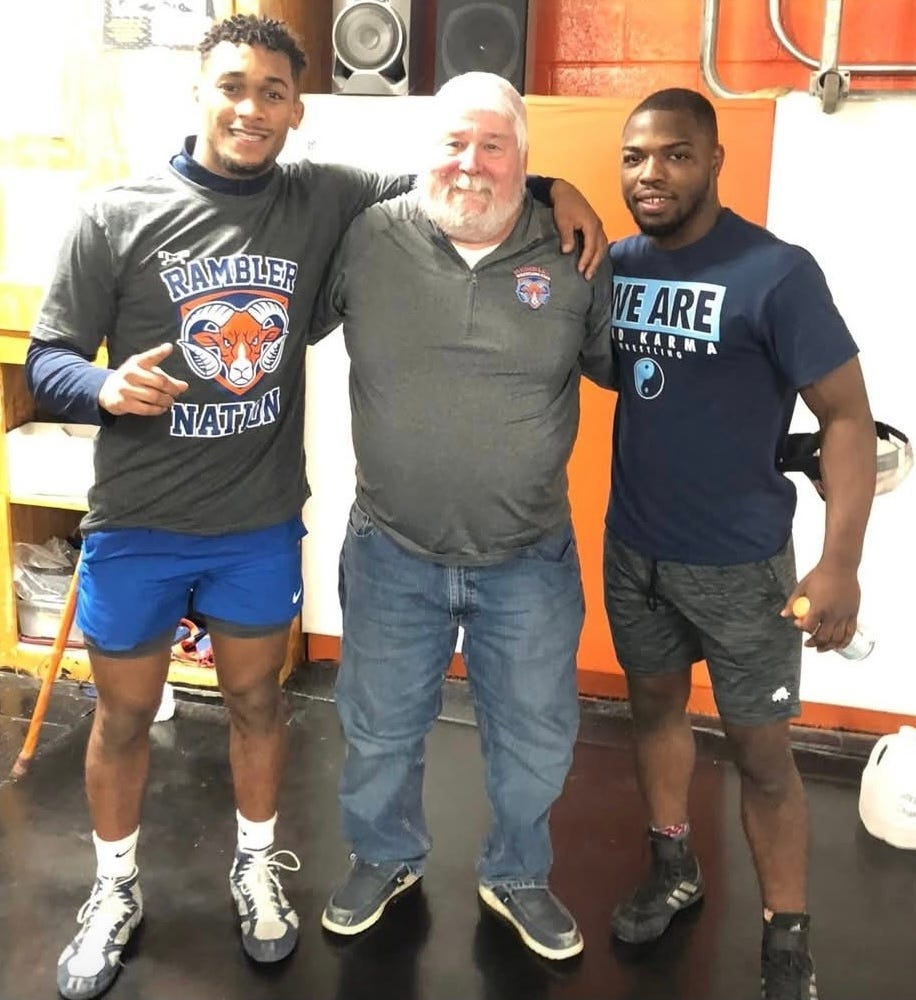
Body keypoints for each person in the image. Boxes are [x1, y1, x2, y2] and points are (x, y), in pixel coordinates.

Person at [25, 15, 607, 1000]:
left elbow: (461, 176)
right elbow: (47, 362)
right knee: (134, 715)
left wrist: (555, 186)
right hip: (158, 521)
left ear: (297, 109)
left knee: (274, 706)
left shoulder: (325, 198)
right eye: (231, 87)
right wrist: (104, 388)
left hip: (275, 523)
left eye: (271, 92)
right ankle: (124, 886)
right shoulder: (122, 214)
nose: (250, 108)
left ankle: (298, 870)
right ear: (198, 93)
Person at [309, 71, 616, 962]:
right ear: (423, 153)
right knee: (377, 729)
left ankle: (517, 874)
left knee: (536, 737)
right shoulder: (367, 237)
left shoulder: (573, 251)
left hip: (528, 558)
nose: (471, 164)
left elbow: (619, 365)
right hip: (391, 550)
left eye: (494, 146)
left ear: (526, 160)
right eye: (453, 143)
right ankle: (384, 856)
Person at [603, 88, 875, 1000]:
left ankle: (785, 930)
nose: (651, 174)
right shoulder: (619, 265)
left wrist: (840, 563)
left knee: (761, 757)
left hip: (741, 564)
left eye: (675, 155)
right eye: (636, 156)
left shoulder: (776, 272)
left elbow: (846, 417)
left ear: (715, 161)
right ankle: (674, 868)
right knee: (654, 713)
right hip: (634, 549)